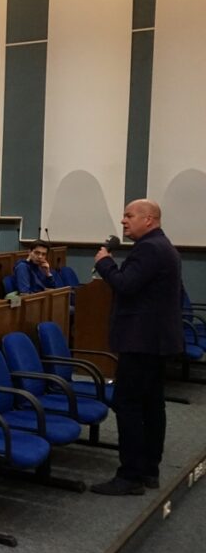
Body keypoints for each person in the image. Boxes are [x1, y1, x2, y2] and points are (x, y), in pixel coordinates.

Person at [90, 200, 183, 496]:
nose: (123, 221)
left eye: (130, 216)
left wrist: (104, 262)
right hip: (153, 340)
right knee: (152, 404)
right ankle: (148, 469)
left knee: (128, 404)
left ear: (150, 219)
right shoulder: (162, 245)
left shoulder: (149, 249)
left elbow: (126, 284)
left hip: (140, 341)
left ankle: (130, 475)